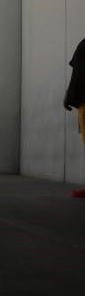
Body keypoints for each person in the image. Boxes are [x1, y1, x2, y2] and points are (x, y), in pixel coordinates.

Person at [63, 38, 85, 198]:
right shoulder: (82, 46)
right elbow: (76, 73)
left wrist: (69, 95)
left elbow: (76, 74)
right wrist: (69, 95)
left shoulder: (82, 46)